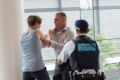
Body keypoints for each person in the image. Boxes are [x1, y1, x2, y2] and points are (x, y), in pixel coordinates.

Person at [45, 12, 75, 80]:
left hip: (68, 64)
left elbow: (66, 49)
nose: (54, 21)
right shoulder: (53, 31)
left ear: (64, 20)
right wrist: (49, 36)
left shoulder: (69, 32)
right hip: (58, 63)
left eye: (56, 19)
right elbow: (45, 42)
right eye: (54, 19)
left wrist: (50, 43)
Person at [19, 15, 50, 80]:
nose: (40, 27)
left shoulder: (21, 36)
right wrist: (50, 34)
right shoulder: (36, 31)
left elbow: (36, 46)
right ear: (36, 24)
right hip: (37, 67)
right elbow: (47, 41)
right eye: (39, 24)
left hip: (26, 69)